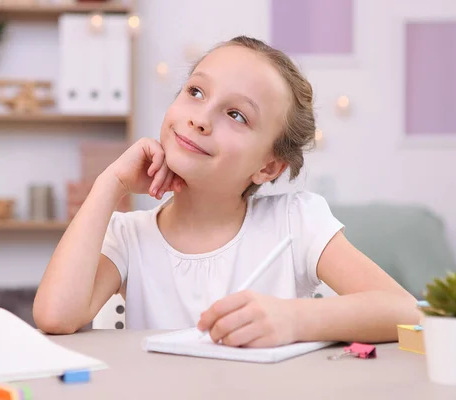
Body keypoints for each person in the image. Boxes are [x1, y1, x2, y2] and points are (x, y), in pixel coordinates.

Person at [33, 36, 420, 347]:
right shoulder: (129, 236)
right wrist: (110, 182)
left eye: (237, 115)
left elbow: (406, 311)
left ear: (268, 167)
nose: (200, 119)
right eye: (196, 92)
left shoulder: (295, 223)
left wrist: (294, 319)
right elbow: (55, 316)